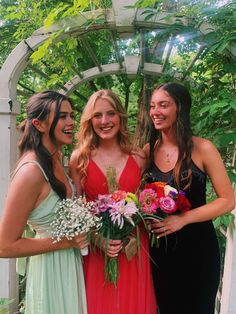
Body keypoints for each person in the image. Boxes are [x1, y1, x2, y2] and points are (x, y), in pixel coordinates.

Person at [143, 82, 235, 314]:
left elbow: (227, 200)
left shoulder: (203, 148)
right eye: (153, 106)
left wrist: (183, 219)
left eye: (163, 105)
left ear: (180, 108)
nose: (156, 112)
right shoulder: (147, 151)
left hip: (198, 251)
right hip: (159, 252)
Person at [69, 89, 157, 314]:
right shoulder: (80, 158)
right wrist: (97, 239)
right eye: (97, 115)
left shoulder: (139, 157)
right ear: (90, 120)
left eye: (111, 113)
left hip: (134, 250)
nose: (104, 121)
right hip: (99, 251)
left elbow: (144, 202)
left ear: (120, 116)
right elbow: (75, 210)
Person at [0, 91, 88, 314]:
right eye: (62, 116)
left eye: (71, 115)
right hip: (50, 268)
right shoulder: (31, 172)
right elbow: (5, 246)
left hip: (69, 263)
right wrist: (66, 242)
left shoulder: (54, 158)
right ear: (39, 124)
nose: (71, 122)